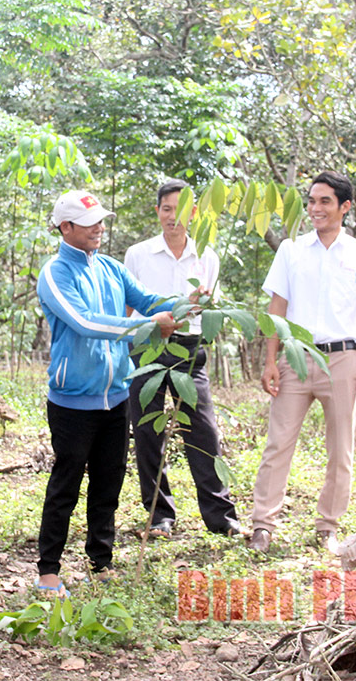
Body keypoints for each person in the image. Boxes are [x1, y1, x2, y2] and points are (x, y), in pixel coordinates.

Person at [34, 189, 183, 595]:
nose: (100, 228)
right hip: (72, 400)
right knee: (66, 484)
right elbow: (86, 322)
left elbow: (148, 300)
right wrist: (148, 326)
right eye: (90, 223)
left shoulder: (112, 269)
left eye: (101, 221)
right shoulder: (54, 273)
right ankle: (48, 571)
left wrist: (185, 305)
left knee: (109, 481)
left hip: (116, 395)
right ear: (65, 228)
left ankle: (101, 562)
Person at [248, 171, 356, 553]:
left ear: (345, 207)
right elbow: (276, 306)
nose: (315, 208)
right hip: (296, 356)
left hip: (343, 359)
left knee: (340, 448)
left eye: (325, 201)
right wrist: (271, 359)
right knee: (278, 444)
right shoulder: (291, 251)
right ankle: (263, 525)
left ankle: (328, 526)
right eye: (311, 201)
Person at [123, 179, 246, 539]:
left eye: (179, 210)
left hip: (190, 350)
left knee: (203, 431)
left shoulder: (207, 255)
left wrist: (204, 303)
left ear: (194, 213)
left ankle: (220, 516)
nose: (172, 218)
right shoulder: (139, 254)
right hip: (147, 346)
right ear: (157, 211)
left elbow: (211, 311)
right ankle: (159, 515)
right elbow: (127, 307)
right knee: (147, 431)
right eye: (165, 209)